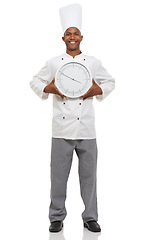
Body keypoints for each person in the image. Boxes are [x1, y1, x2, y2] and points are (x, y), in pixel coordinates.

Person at [30, 4, 115, 233]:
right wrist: (50, 89)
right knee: (58, 178)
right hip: (61, 129)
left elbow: (110, 83)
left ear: (81, 37)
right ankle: (56, 217)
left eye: (75, 33)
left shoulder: (94, 62)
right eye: (68, 33)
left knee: (89, 178)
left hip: (87, 130)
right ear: (63, 37)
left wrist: (96, 91)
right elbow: (35, 82)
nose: (72, 37)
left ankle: (90, 217)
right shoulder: (53, 62)